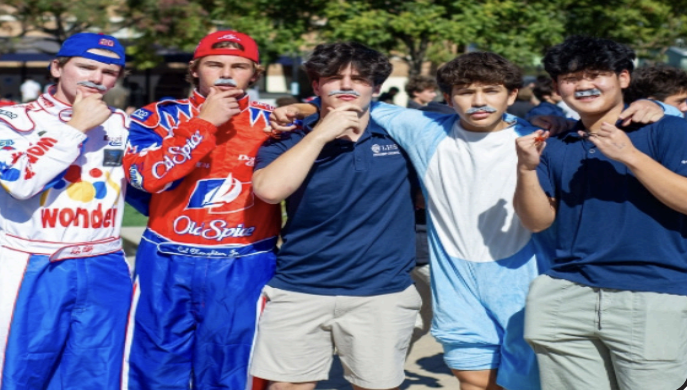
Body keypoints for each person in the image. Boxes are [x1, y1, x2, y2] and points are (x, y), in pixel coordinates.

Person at [268, 50, 673, 390]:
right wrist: (301, 106)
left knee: (533, 378)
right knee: (473, 377)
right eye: (465, 92)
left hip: (527, 276)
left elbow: (604, 124)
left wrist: (658, 105)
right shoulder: (423, 128)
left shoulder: (540, 136)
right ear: (448, 97)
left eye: (491, 91)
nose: (479, 101)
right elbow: (357, 101)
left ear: (511, 94)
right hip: (459, 279)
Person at [515, 36, 687, 390]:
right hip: (565, 295)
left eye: (595, 74)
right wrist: (526, 169)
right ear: (558, 86)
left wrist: (631, 156)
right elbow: (537, 221)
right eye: (571, 78)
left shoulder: (671, 130)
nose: (584, 85)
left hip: (652, 296)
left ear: (624, 78)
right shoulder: (554, 143)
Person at [249, 41, 420, 390]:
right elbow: (268, 190)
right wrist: (320, 133)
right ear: (316, 86)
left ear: (376, 87)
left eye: (358, 79)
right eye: (332, 78)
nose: (345, 86)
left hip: (381, 292)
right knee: (286, 386)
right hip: (300, 287)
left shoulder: (403, 136)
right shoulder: (287, 138)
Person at [122, 30, 281, 390]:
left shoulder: (274, 123)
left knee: (233, 369)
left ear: (253, 75)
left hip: (244, 262)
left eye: (238, 66)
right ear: (195, 70)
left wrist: (305, 109)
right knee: (155, 367)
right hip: (166, 259)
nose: (226, 73)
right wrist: (205, 123)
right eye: (215, 64)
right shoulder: (155, 118)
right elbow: (148, 178)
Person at [0, 33, 131, 390]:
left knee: (97, 376)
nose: (97, 78)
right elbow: (20, 182)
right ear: (57, 67)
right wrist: (75, 126)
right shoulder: (6, 120)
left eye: (109, 71)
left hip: (104, 262)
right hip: (31, 263)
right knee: (15, 376)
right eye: (86, 66)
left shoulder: (125, 125)